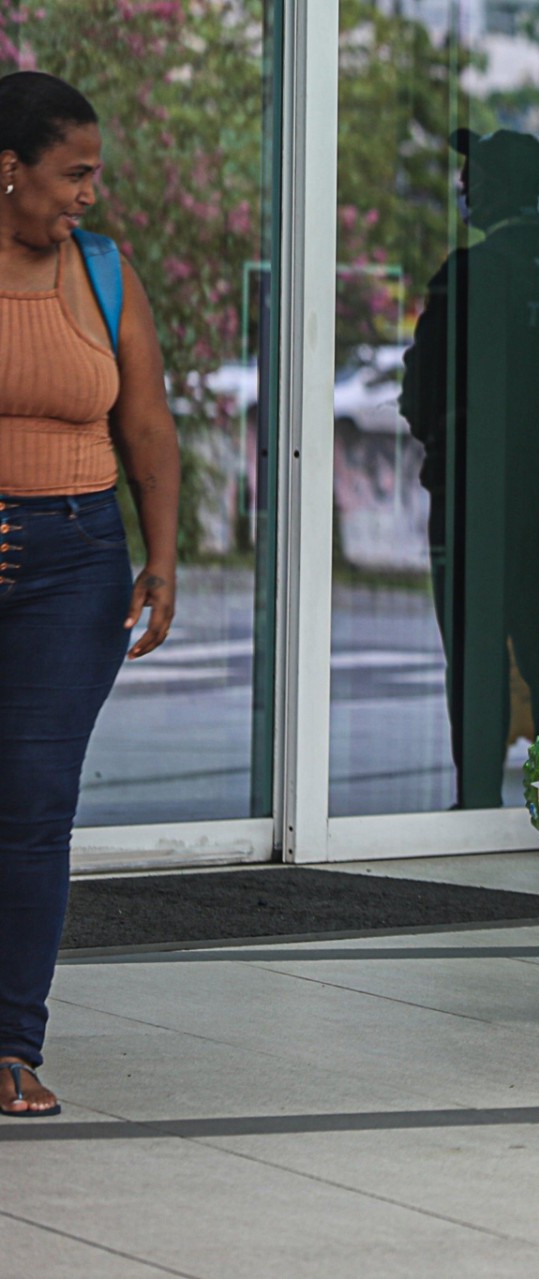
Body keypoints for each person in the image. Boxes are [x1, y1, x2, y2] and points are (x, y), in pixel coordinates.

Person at [0, 71, 179, 1117]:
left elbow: (147, 425)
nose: (87, 194)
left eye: (95, 175)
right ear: (9, 170)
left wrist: (159, 558)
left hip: (75, 560)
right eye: (74, 173)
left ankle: (12, 1043)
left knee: (32, 805)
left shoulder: (103, 272)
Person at [400, 129, 539, 809]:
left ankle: (475, 801)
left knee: (476, 655)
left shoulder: (467, 272)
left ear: (498, 186)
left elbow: (423, 388)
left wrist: (452, 439)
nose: (463, 189)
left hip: (475, 496)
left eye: (471, 177)